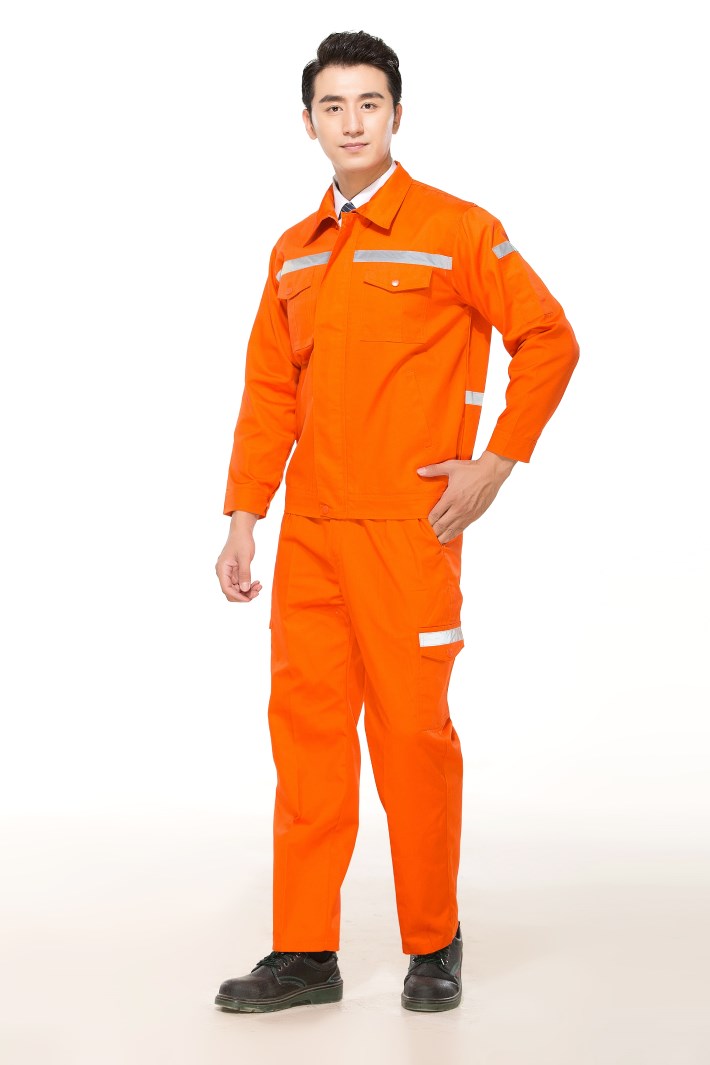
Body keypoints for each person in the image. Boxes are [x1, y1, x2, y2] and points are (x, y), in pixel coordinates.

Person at [214, 29, 579, 1014]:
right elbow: (268, 392)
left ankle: (432, 941)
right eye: (332, 106)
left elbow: (548, 337)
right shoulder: (294, 252)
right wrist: (245, 514)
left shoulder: (456, 228)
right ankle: (305, 951)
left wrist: (496, 462)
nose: (351, 122)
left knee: (412, 738)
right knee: (307, 738)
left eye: (368, 103)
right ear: (307, 122)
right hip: (309, 536)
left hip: (407, 532)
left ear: (396, 114)